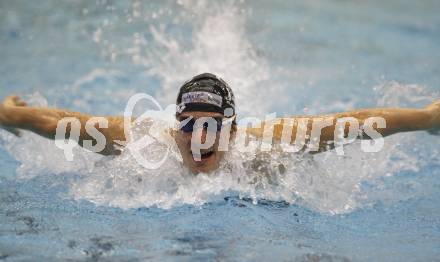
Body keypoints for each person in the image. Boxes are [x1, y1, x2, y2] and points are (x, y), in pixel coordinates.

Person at [0, 73, 439, 173]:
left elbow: (354, 123)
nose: (200, 139)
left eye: (213, 126)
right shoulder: (142, 142)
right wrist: (9, 113)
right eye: (190, 126)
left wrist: (425, 118)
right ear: (175, 128)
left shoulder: (268, 144)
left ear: (233, 130)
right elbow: (62, 122)